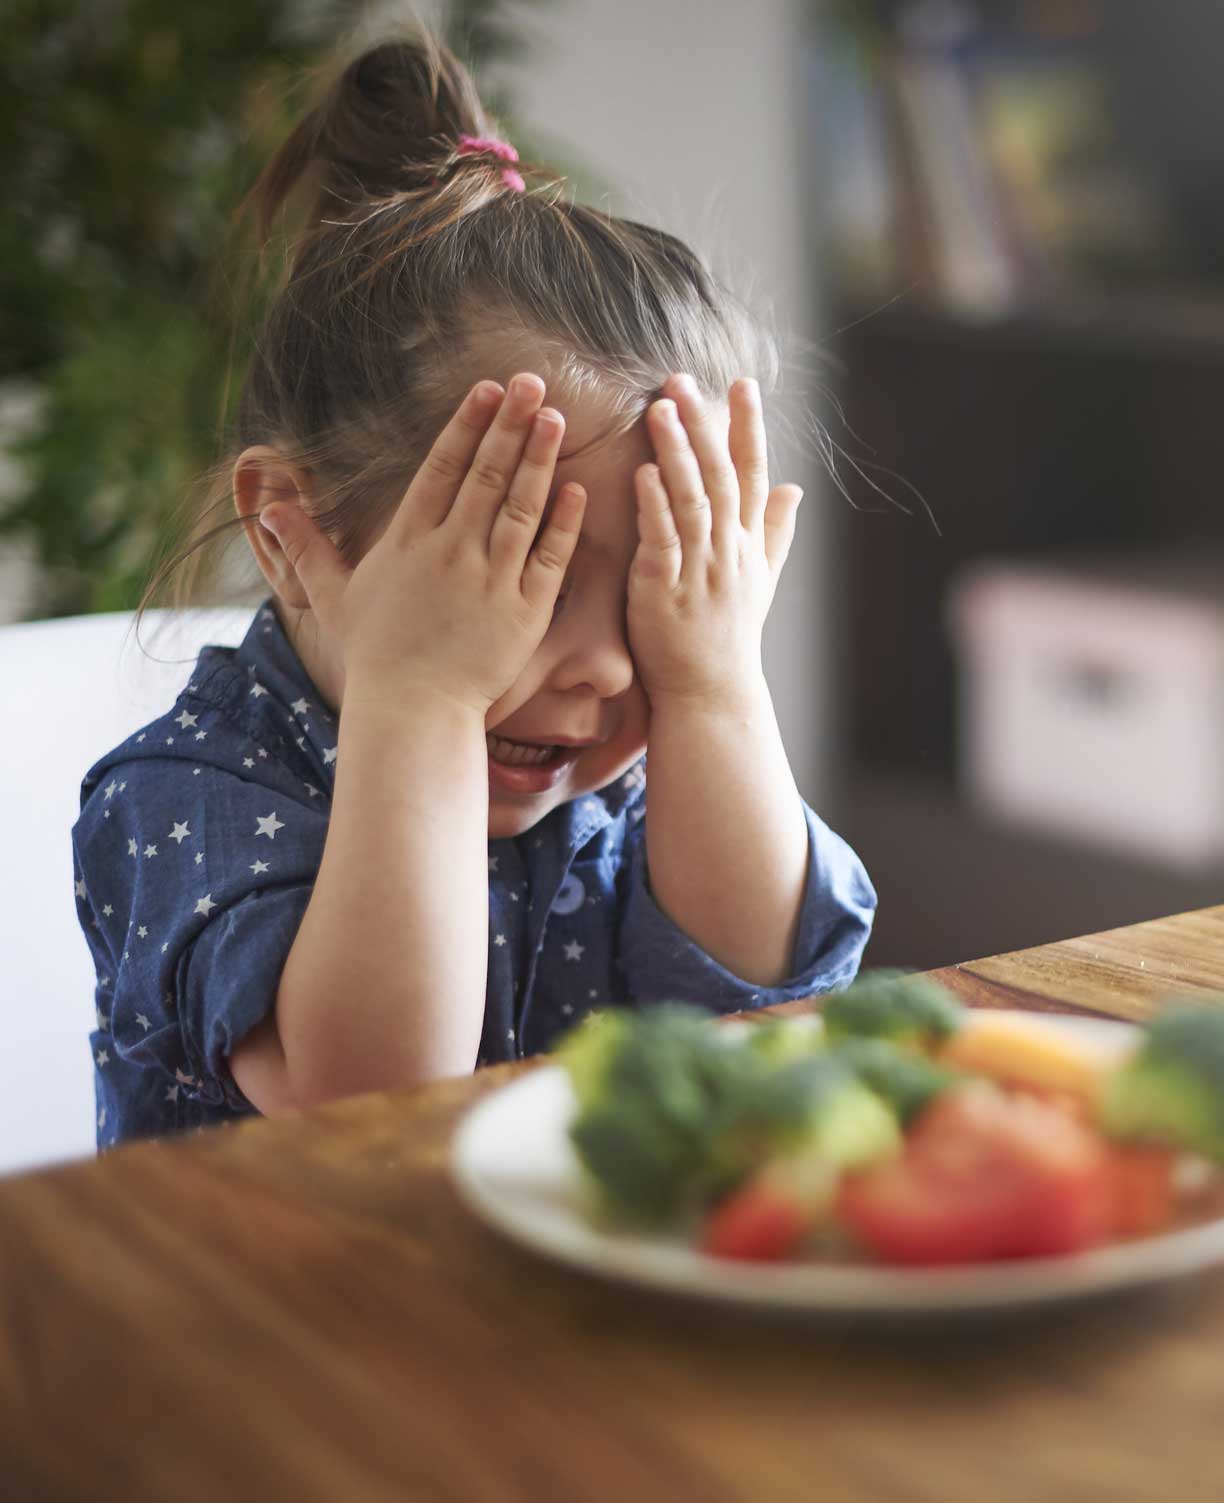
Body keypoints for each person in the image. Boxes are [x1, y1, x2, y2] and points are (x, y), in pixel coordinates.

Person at [69, 30, 874, 1149]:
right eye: (526, 585)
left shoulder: (641, 765)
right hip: (265, 1309)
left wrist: (712, 687)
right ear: (292, 535)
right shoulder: (188, 794)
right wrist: (424, 701)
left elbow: (768, 995)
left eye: (653, 598)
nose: (602, 664)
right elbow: (374, 1098)